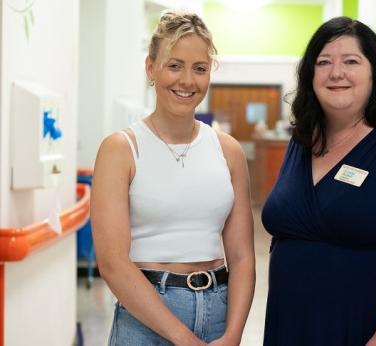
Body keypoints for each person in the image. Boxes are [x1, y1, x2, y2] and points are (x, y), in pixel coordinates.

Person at [262, 16, 376, 345]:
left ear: (375, 71)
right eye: (324, 62)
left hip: (374, 330)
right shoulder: (302, 141)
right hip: (297, 324)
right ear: (310, 75)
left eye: (351, 61)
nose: (336, 73)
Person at [91, 11, 255, 346]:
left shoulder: (228, 151)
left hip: (219, 314)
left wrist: (234, 335)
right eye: (174, 65)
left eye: (200, 68)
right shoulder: (121, 149)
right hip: (145, 316)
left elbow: (241, 256)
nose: (187, 81)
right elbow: (112, 263)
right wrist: (182, 337)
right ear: (151, 68)